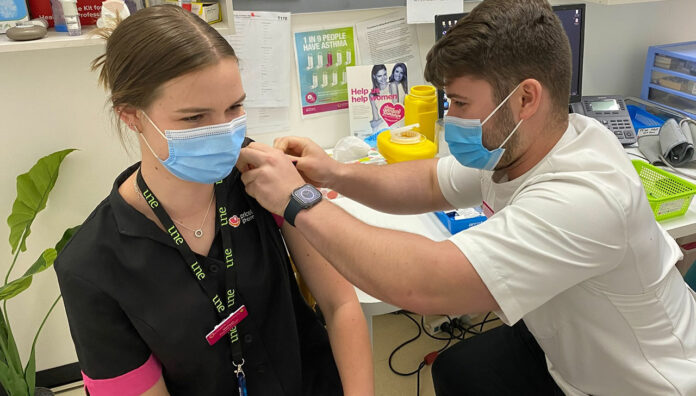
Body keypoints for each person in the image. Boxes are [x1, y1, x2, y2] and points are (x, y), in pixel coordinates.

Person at [235, 0, 696, 395]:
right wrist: (334, 171)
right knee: (458, 370)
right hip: (566, 349)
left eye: (458, 102)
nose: (449, 116)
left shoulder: (584, 198)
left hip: (638, 383)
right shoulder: (534, 142)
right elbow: (430, 182)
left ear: (525, 98)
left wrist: (298, 201)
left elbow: (422, 282)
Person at [53, 5, 373, 396]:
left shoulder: (264, 177)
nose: (224, 134)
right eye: (194, 118)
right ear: (131, 116)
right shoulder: (92, 266)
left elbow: (340, 305)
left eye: (235, 108)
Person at [369, 64, 398, 132]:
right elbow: (375, 120)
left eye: (384, 74)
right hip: (381, 129)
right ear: (374, 77)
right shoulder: (372, 95)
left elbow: (396, 113)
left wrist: (379, 121)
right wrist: (376, 123)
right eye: (379, 76)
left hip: (393, 127)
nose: (383, 78)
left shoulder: (392, 87)